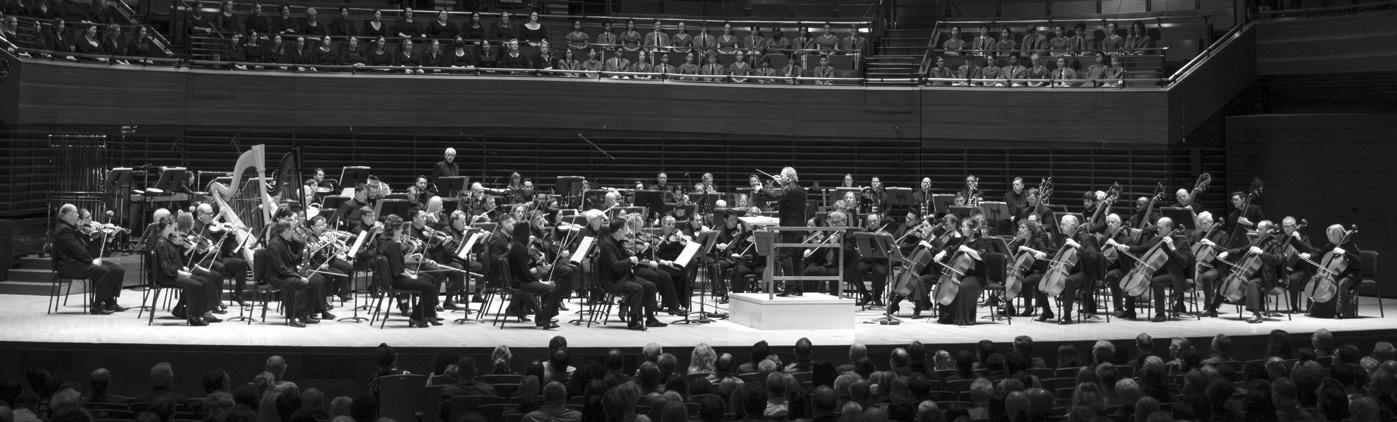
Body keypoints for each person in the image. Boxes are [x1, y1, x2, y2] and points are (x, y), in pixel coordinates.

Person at [52, 204, 126, 314]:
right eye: (76, 213)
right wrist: (91, 261)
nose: (78, 216)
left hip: (77, 262)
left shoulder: (69, 227)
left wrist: (80, 230)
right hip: (70, 265)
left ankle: (110, 302)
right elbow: (76, 249)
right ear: (69, 214)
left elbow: (81, 246)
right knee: (104, 271)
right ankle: (97, 306)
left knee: (117, 269)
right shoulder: (64, 229)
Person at [597, 219, 664, 330]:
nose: (627, 232)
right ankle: (634, 321)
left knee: (650, 286)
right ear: (619, 231)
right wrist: (630, 260)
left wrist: (641, 253)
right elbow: (616, 265)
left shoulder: (617, 242)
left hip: (622, 277)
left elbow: (628, 259)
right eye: (626, 229)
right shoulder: (607, 246)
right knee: (637, 288)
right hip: (612, 281)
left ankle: (650, 319)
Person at [151, 217, 219, 326]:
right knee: (197, 285)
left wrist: (183, 268)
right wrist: (181, 273)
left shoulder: (166, 240)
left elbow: (172, 260)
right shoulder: (161, 242)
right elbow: (165, 266)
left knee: (204, 281)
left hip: (173, 274)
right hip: (168, 277)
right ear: (168, 227)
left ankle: (199, 314)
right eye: (174, 228)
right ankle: (194, 317)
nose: (176, 230)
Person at [265, 221, 332, 327]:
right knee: (301, 284)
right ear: (286, 231)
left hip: (284, 274)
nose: (293, 233)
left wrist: (304, 249)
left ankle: (304, 315)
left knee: (311, 282)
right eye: (292, 230)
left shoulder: (283, 242)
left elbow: (294, 259)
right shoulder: (275, 244)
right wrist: (298, 277)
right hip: (276, 277)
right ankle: (294, 317)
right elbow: (280, 268)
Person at [755, 167, 807, 296]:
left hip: (789, 228)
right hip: (800, 228)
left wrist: (761, 190)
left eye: (781, 175)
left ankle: (789, 287)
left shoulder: (788, 189)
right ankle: (798, 288)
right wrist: (782, 184)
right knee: (796, 258)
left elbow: (775, 196)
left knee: (785, 257)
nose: (779, 176)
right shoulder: (800, 189)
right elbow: (788, 200)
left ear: (788, 177)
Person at [507, 221, 560, 329]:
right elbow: (526, 273)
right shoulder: (519, 248)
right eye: (528, 231)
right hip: (520, 283)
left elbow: (524, 272)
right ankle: (545, 319)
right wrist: (539, 281)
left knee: (550, 287)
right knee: (550, 289)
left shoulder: (515, 245)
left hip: (519, 281)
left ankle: (542, 317)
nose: (529, 234)